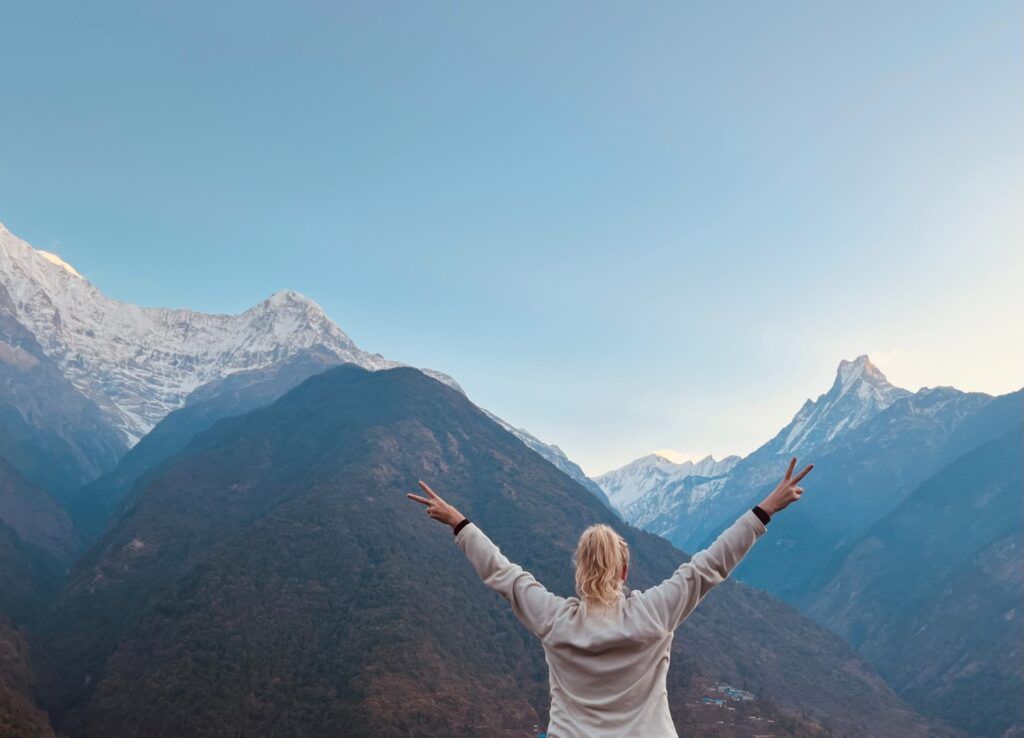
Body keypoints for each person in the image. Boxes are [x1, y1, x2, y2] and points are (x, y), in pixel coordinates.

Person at [407, 457, 814, 738]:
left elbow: (501, 572)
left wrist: (458, 523)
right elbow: (710, 565)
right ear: (625, 570)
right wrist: (766, 509)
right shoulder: (655, 613)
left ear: (579, 569)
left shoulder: (554, 621)